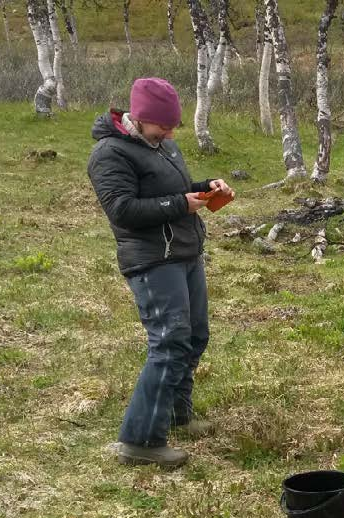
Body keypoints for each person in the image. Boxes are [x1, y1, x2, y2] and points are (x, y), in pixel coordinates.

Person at [87, 77, 234, 468]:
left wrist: (206, 189)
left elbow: (177, 189)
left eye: (173, 126)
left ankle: (175, 413)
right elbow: (122, 210)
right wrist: (179, 205)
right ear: (138, 117)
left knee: (194, 335)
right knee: (169, 342)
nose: (170, 133)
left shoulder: (164, 145)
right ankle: (140, 440)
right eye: (163, 126)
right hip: (152, 259)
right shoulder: (109, 154)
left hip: (185, 251)